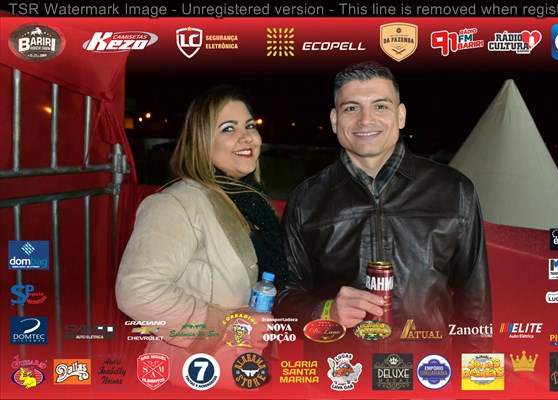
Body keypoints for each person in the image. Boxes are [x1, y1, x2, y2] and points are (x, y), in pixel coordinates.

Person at [278, 61, 491, 350]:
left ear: (400, 115)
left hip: (428, 372)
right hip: (341, 373)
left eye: (380, 106)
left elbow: (476, 305)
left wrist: (473, 375)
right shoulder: (306, 200)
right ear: (334, 120)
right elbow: (284, 298)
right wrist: (325, 312)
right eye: (351, 108)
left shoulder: (454, 190)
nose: (366, 120)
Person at [115, 86, 287, 387]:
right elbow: (137, 292)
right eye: (228, 128)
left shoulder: (254, 203)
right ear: (201, 142)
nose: (247, 137)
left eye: (249, 125)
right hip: (193, 378)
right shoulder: (175, 203)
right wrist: (225, 325)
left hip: (246, 370)